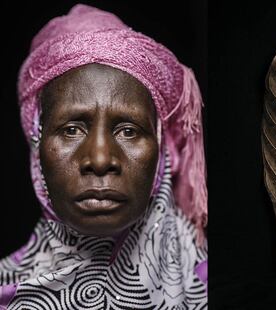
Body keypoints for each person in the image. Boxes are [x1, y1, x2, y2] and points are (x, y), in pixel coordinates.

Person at [0, 4, 207, 309]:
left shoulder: (216, 282)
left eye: (129, 130)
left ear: (162, 149)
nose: (99, 159)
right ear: (37, 144)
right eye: (70, 129)